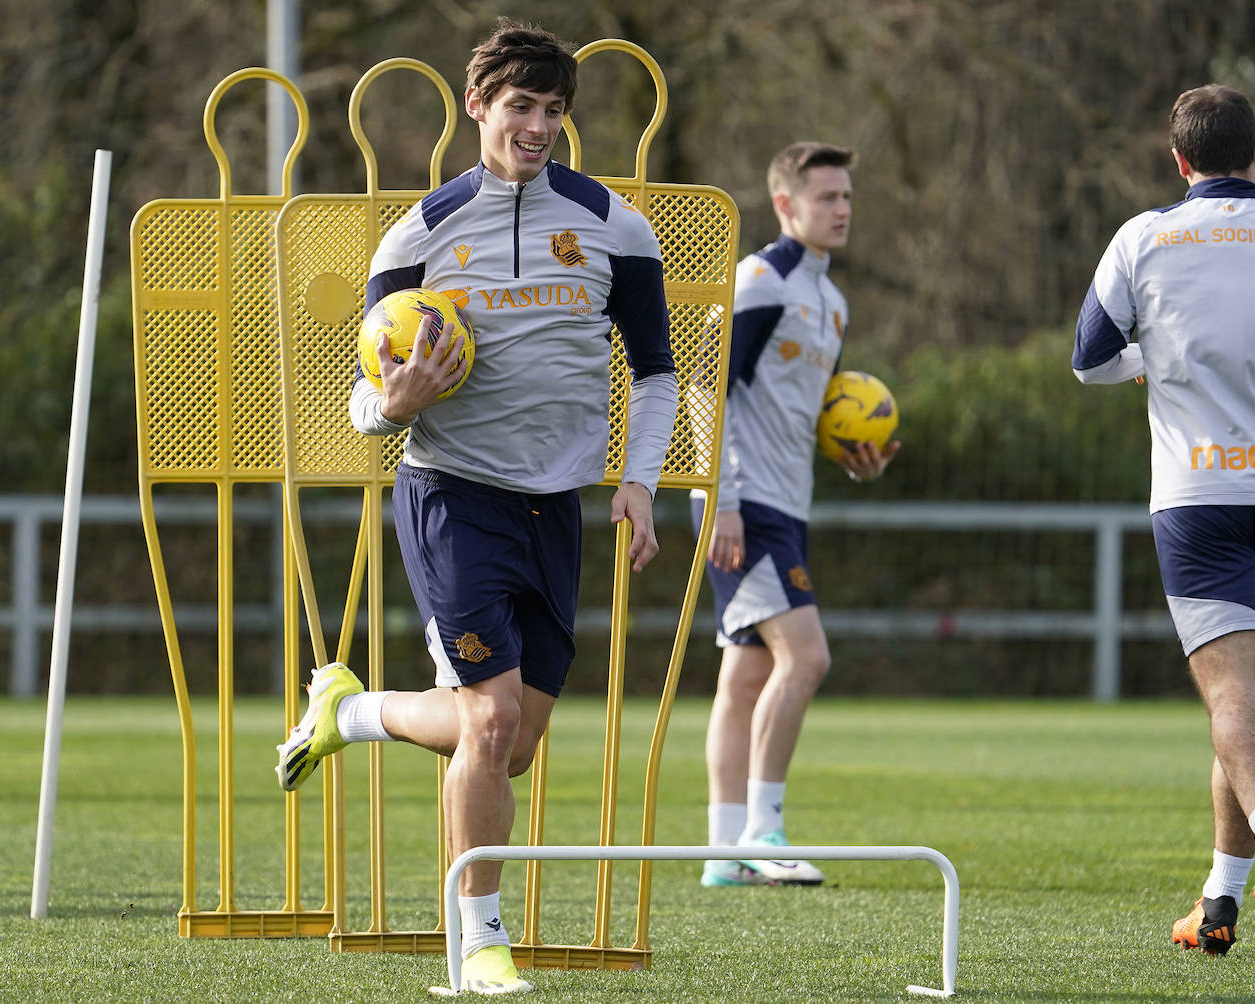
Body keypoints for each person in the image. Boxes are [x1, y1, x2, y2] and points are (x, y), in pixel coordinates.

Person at [275, 19, 678, 995]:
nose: (537, 126)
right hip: (451, 494)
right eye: (520, 106)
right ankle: (481, 943)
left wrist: (640, 479)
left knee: (513, 744)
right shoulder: (419, 233)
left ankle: (351, 709)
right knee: (490, 721)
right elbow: (361, 399)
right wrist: (392, 405)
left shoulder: (618, 226)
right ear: (476, 106)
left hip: (557, 508)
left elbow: (657, 371)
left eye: (553, 110)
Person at [1073, 84, 1255, 964]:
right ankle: (1218, 901)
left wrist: (1153, 359)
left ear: (1178, 160)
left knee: (1229, 698)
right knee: (1247, 699)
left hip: (1197, 493)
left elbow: (1090, 360)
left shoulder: (1144, 236)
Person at [691, 142, 899, 888]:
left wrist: (852, 456)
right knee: (807, 658)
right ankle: (764, 830)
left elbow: (804, 413)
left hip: (784, 503)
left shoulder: (832, 303)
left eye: (847, 197)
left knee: (747, 675)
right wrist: (722, 500)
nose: (842, 210)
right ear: (785, 204)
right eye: (826, 198)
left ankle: (724, 856)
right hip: (743, 504)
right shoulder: (759, 280)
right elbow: (703, 386)